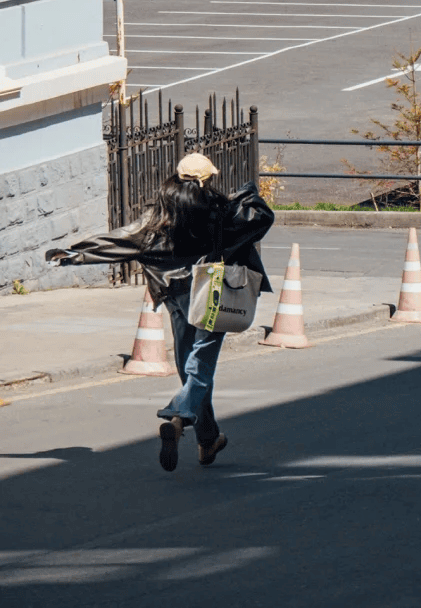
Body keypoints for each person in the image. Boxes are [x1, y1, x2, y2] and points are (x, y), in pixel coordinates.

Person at [46, 152, 272, 473]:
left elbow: (119, 240)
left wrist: (72, 254)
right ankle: (177, 417)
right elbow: (262, 217)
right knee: (199, 369)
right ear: (208, 179)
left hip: (176, 295)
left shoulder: (160, 217)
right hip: (212, 291)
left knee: (188, 368)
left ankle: (207, 439)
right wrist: (248, 192)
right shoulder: (221, 212)